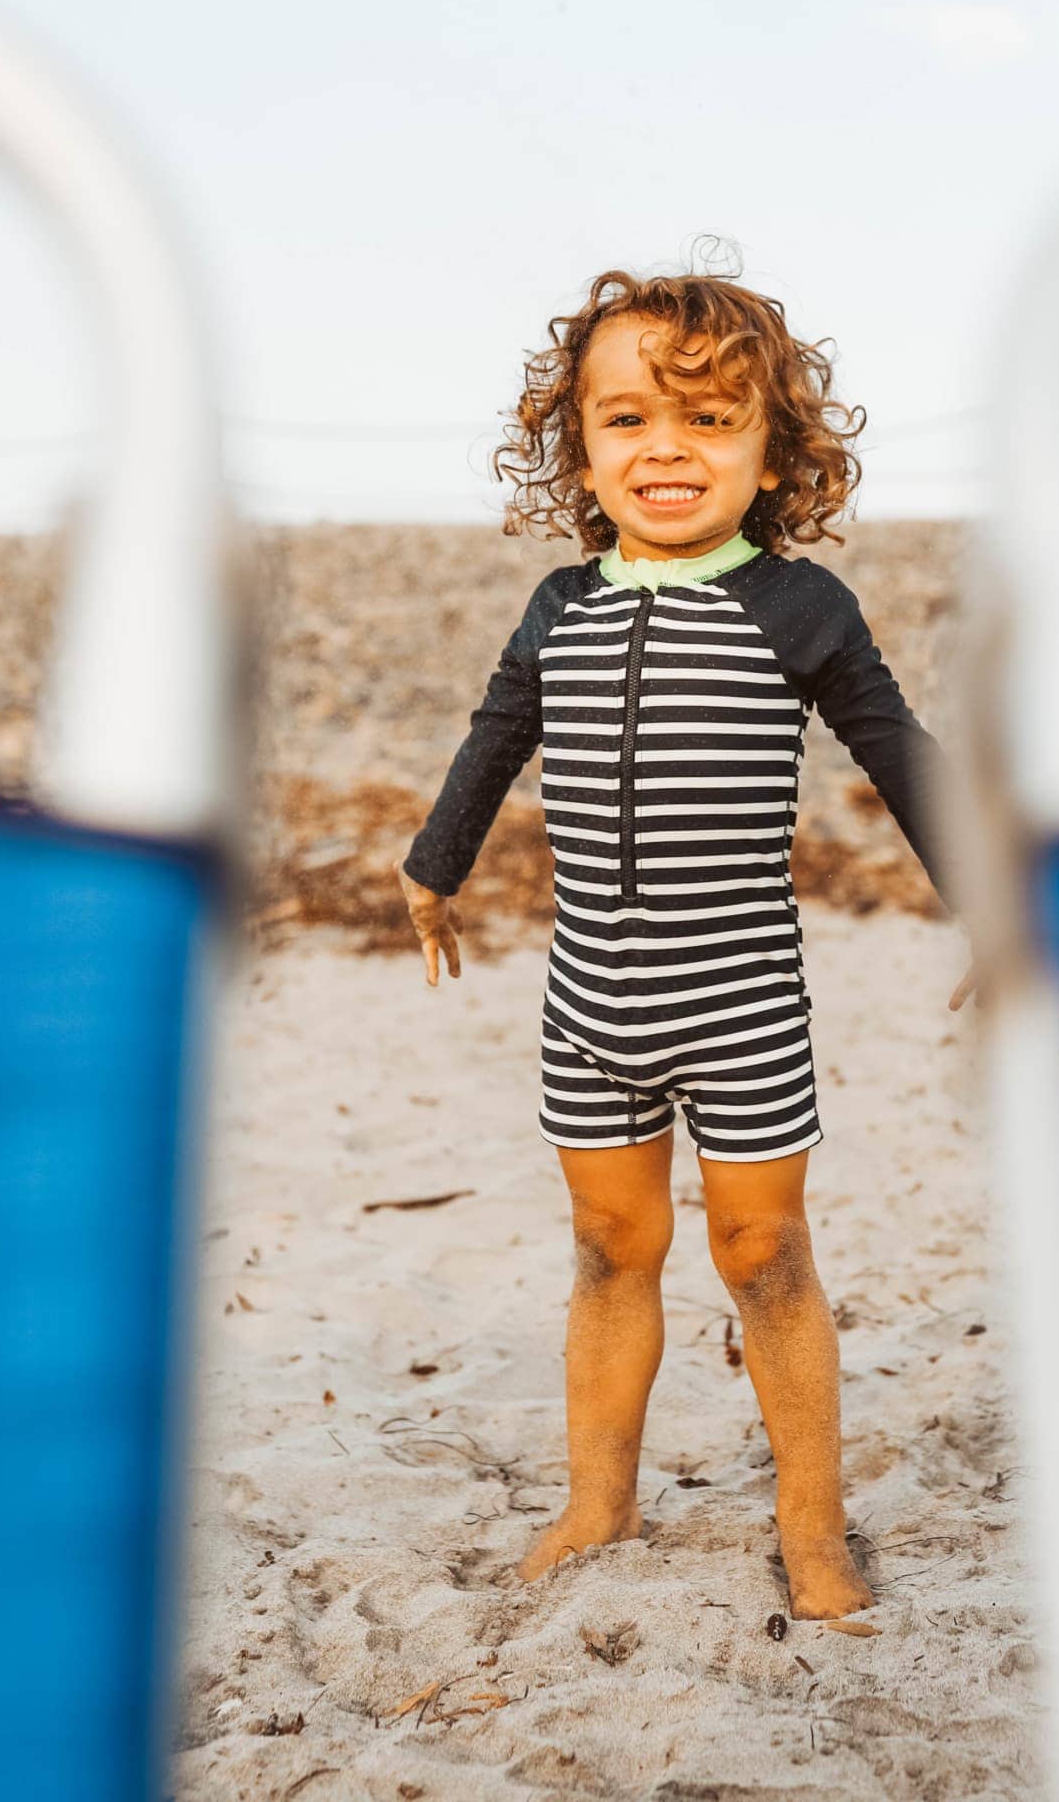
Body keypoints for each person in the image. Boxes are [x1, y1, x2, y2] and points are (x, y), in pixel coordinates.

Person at [396, 263, 964, 1619]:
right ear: (579, 450)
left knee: (764, 1254)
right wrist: (433, 864)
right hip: (588, 998)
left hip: (743, 1003)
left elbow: (898, 755)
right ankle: (600, 1499)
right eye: (628, 420)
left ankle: (814, 1526)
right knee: (607, 1244)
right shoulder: (560, 605)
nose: (665, 449)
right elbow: (495, 734)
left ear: (773, 454)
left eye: (710, 422)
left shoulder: (799, 607)